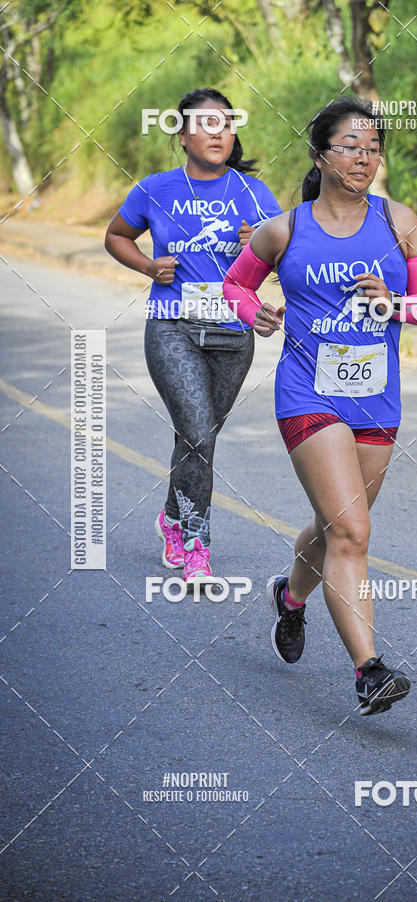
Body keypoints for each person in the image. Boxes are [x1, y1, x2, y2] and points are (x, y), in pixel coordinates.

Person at [223, 99, 417, 715]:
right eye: (351, 145)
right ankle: (369, 670)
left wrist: (395, 303)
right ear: (319, 155)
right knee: (352, 530)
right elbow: (237, 284)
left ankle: (289, 600)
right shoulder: (285, 229)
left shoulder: (399, 221)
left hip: (376, 394)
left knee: (332, 529)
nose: (364, 157)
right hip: (307, 393)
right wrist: (254, 312)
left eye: (373, 147)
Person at [105, 88, 281, 586]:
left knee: (198, 439)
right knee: (198, 431)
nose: (217, 133)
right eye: (204, 125)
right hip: (171, 326)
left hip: (232, 331)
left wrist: (261, 246)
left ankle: (169, 516)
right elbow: (115, 235)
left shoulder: (252, 193)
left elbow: (285, 256)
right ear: (181, 136)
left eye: (225, 123)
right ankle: (197, 545)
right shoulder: (155, 189)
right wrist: (147, 265)